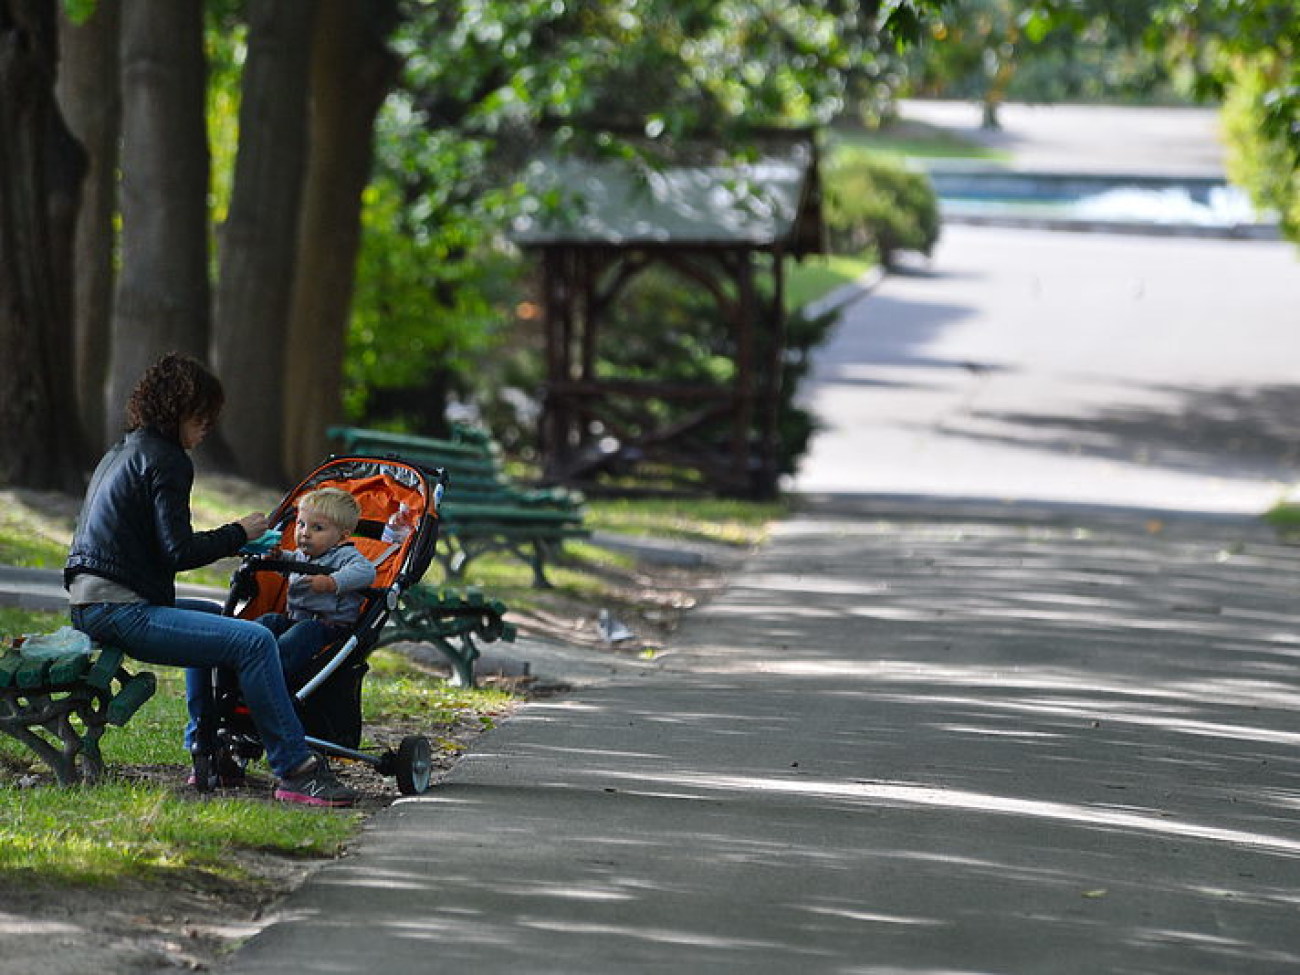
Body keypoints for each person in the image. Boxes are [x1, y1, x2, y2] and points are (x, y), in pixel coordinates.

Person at [65, 352, 358, 807]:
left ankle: (207, 749)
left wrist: (237, 543)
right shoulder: (167, 460)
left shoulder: (121, 451)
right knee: (254, 641)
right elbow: (177, 552)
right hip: (120, 609)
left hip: (91, 604)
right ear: (179, 409)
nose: (207, 428)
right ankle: (296, 771)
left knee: (215, 616)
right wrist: (239, 532)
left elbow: (152, 545)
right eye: (203, 417)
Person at [256, 487, 376, 688]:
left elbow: (367, 572)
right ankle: (246, 657)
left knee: (301, 634)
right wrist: (277, 557)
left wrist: (333, 582)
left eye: (317, 528)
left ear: (342, 537)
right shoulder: (302, 555)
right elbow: (291, 562)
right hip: (295, 621)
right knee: (267, 622)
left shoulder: (345, 557)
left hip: (329, 628)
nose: (305, 533)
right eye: (301, 524)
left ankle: (268, 677)